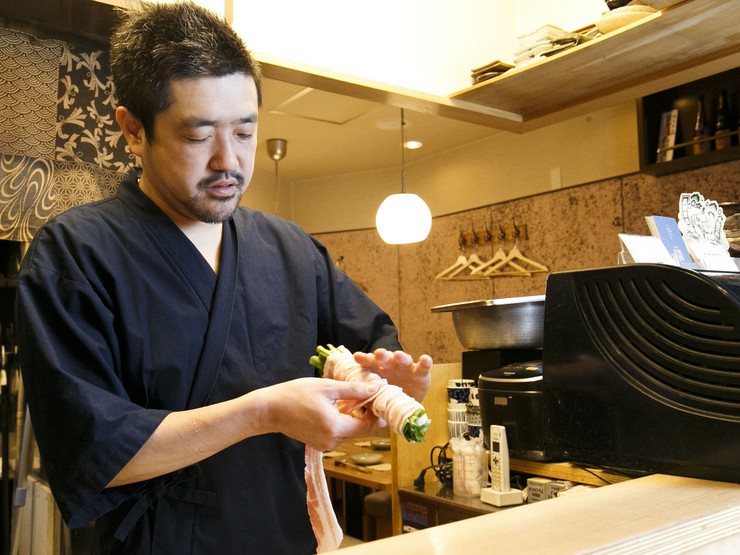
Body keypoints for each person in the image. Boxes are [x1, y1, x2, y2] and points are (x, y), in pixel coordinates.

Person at [15, 2, 432, 553]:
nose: (227, 161)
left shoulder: (291, 250)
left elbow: (371, 359)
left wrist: (391, 392)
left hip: (286, 539)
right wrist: (263, 411)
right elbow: (93, 450)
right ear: (134, 130)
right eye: (198, 136)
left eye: (244, 132)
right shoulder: (75, 254)